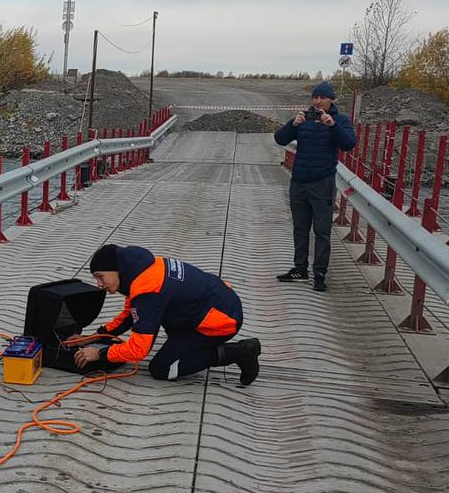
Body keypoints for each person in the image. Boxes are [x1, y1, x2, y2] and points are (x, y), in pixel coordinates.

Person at [72, 244, 261, 386]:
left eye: (100, 276)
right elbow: (130, 315)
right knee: (159, 325)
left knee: (162, 368)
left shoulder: (147, 289)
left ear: (116, 270)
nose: (98, 284)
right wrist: (93, 338)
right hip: (215, 304)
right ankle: (193, 345)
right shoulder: (142, 271)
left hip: (221, 320)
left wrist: (99, 353)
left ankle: (239, 352)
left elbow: (139, 350)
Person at [273, 81, 357, 291]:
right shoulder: (303, 118)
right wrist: (294, 124)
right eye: (315, 97)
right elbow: (279, 139)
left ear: (331, 100)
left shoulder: (340, 120)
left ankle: (320, 274)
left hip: (322, 182)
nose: (318, 101)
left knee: (322, 231)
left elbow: (349, 144)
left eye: (323, 97)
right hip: (299, 181)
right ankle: (299, 268)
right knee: (300, 228)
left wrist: (332, 126)